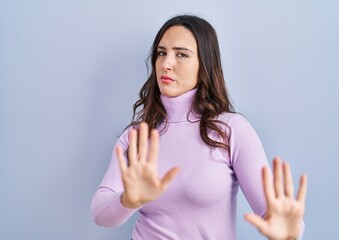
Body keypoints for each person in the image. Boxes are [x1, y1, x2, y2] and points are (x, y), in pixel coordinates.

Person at [91, 15, 307, 240]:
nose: (166, 64)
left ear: (204, 64)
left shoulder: (231, 130)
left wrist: (290, 233)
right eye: (161, 53)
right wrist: (128, 200)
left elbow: (270, 214)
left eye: (181, 54)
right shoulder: (136, 136)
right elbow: (99, 212)